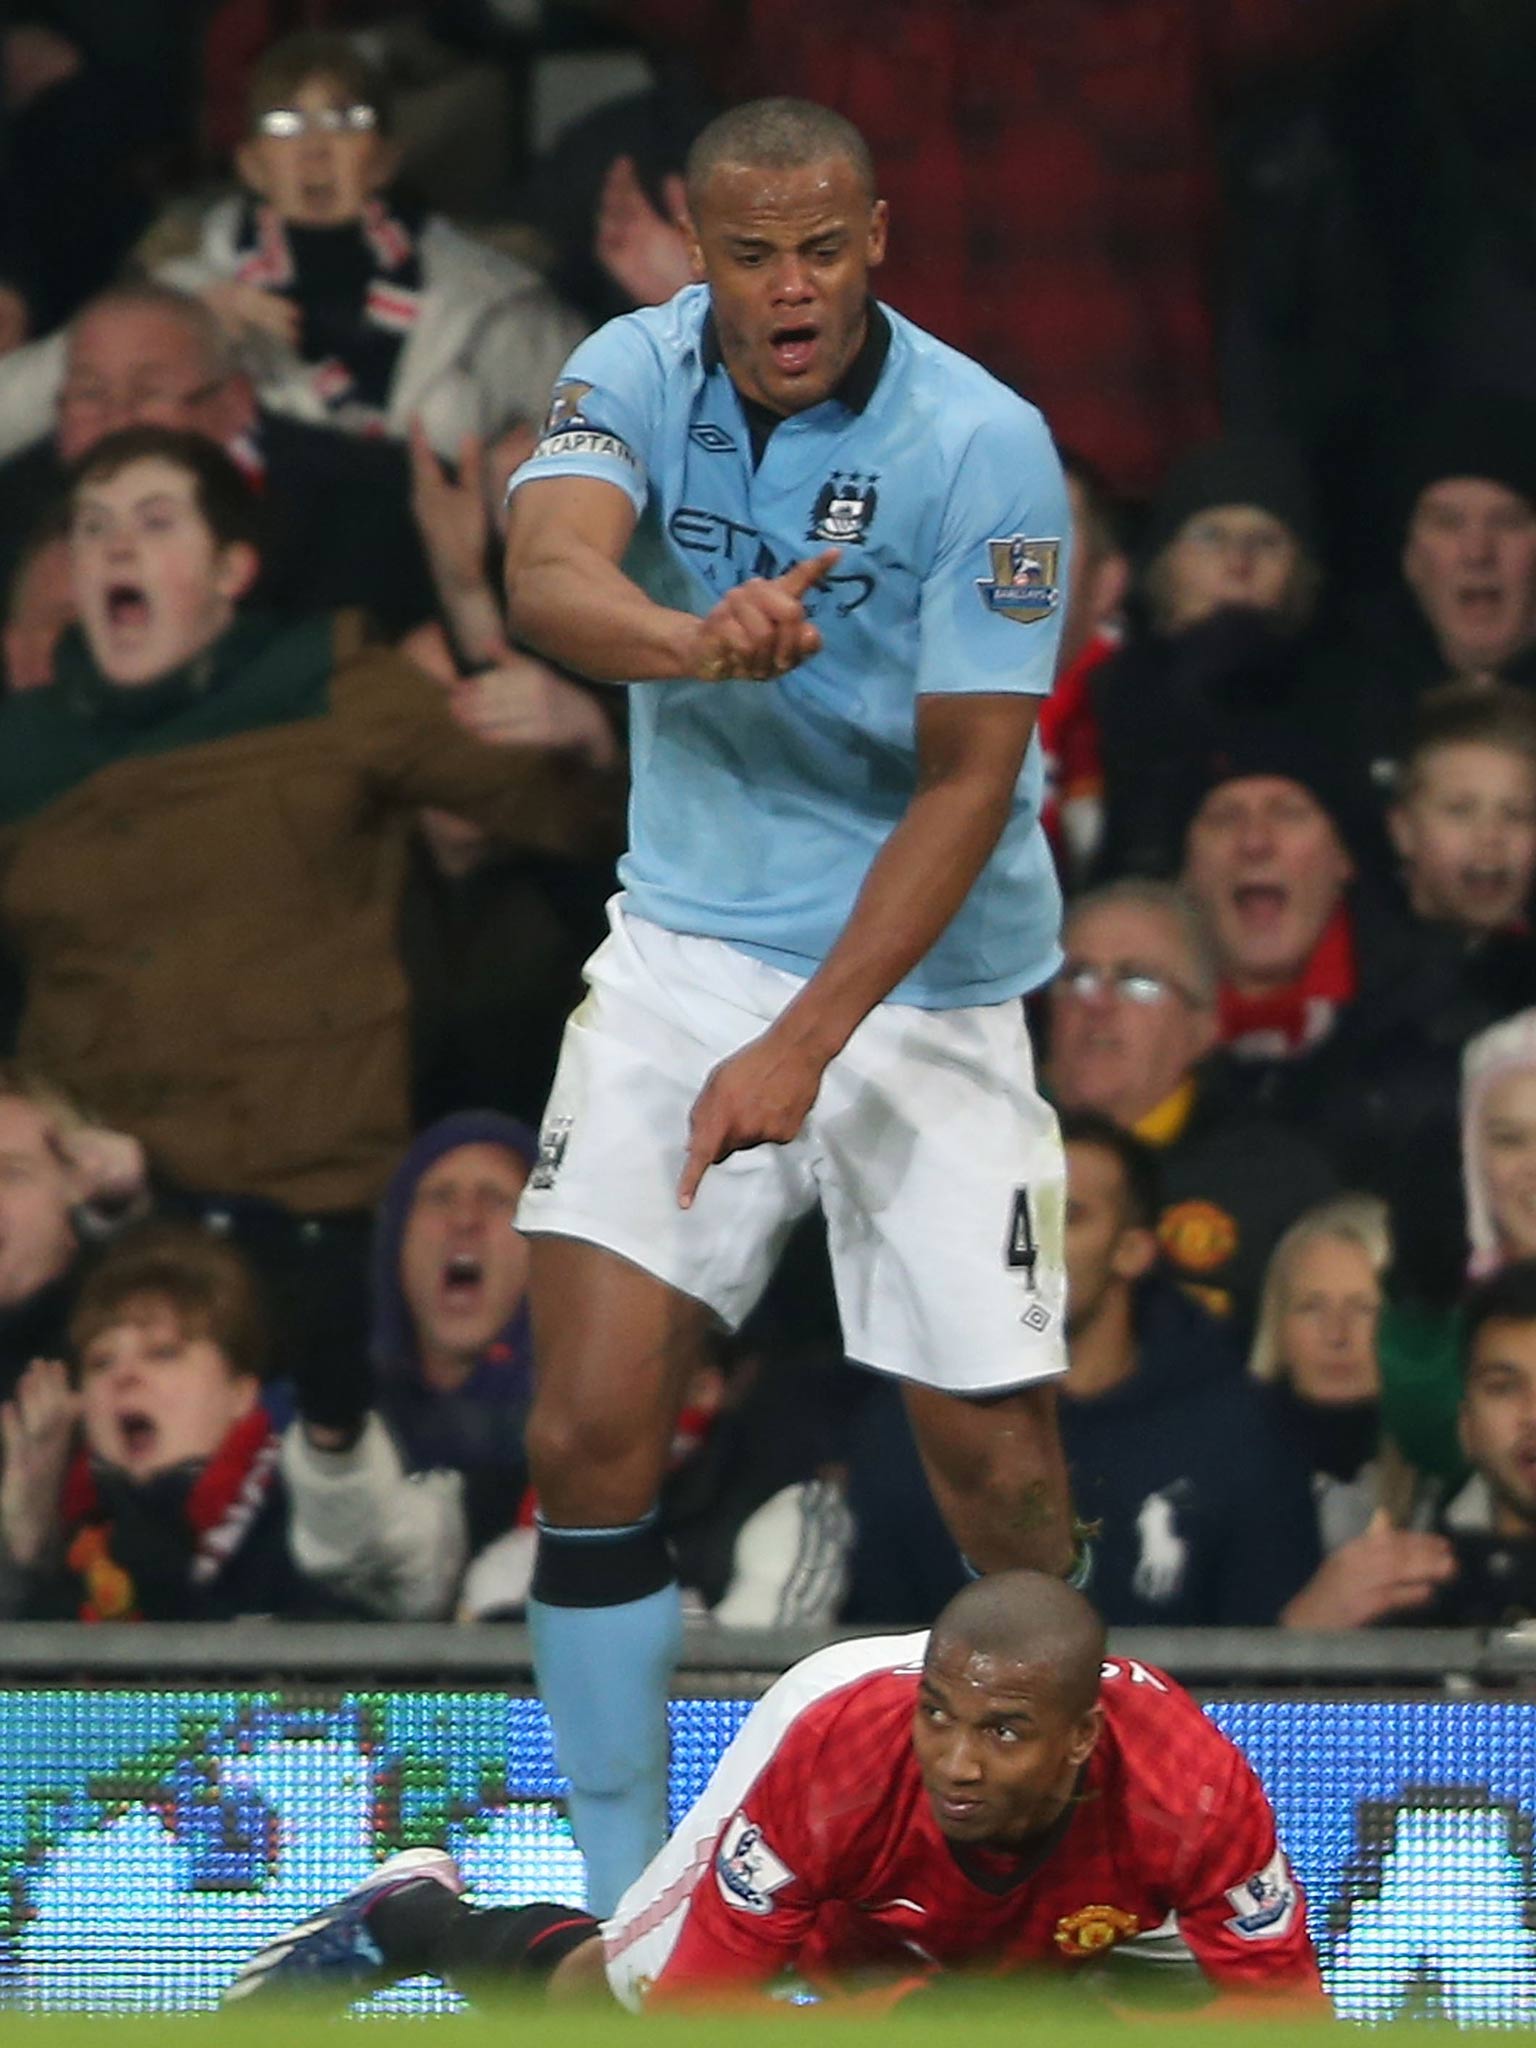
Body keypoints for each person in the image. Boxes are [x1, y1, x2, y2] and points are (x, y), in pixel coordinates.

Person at [500, 96, 1078, 1912]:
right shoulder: (630, 369)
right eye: (750, 253)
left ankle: (1075, 1875)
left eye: (823, 246)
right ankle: (624, 1906)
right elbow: (546, 571)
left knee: (996, 1469)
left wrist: (804, 1043)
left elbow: (970, 780)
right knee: (586, 1429)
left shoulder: (988, 445)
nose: (791, 284)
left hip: (929, 977)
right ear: (696, 247)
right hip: (683, 948)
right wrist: (691, 638)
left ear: (878, 235)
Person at [0, 425, 621, 1223]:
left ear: (232, 568)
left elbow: (573, 819)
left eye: (155, 523)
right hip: (104, 1217)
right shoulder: (22, 751)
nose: (118, 549)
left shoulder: (331, 686)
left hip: (316, 1201)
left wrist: (592, 734)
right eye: (94, 527)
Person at [226, 1570, 1323, 2011]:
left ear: (1084, 1737)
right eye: (942, 1716)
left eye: (1003, 1732)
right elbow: (701, 2016)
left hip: (1099, 1892)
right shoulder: (850, 1752)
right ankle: (411, 1916)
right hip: (831, 1753)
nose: (959, 1759)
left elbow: (1286, 2021)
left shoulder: (1193, 1797)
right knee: (609, 1997)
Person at [846, 1114, 1322, 1628]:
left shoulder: (1234, 1430)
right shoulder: (915, 1419)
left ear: (1133, 1252)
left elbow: (1263, 1673)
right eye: (1014, 1214)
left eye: (1066, 1217)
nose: (1025, 1247)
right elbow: (875, 1651)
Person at [150, 32, 584, 460]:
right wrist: (187, 331)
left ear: (385, 158)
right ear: (251, 164)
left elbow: (594, 430)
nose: (314, 149)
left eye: (345, 120)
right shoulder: (175, 295)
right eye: (284, 124)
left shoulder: (489, 298)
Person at [0, 281, 440, 660]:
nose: (116, 421)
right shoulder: (14, 510)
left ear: (234, 404)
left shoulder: (367, 500)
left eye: (148, 392)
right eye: (89, 393)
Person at [0, 1222, 332, 1621]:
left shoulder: (310, 1518)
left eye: (162, 1353)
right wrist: (26, 1553)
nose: (124, 1375)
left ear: (239, 1394)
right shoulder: (70, 1545)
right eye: (100, 1362)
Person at [1046, 879, 1336, 1334]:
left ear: (1204, 1026)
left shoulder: (1273, 1180)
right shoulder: (984, 1152)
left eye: (1137, 981)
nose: (1096, 1002)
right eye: (1076, 976)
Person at [1091, 437, 1325, 882]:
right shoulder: (1096, 701)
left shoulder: (1339, 706)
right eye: (1210, 537)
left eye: (1267, 541)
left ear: (1300, 572)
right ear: (1162, 563)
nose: (1239, 563)